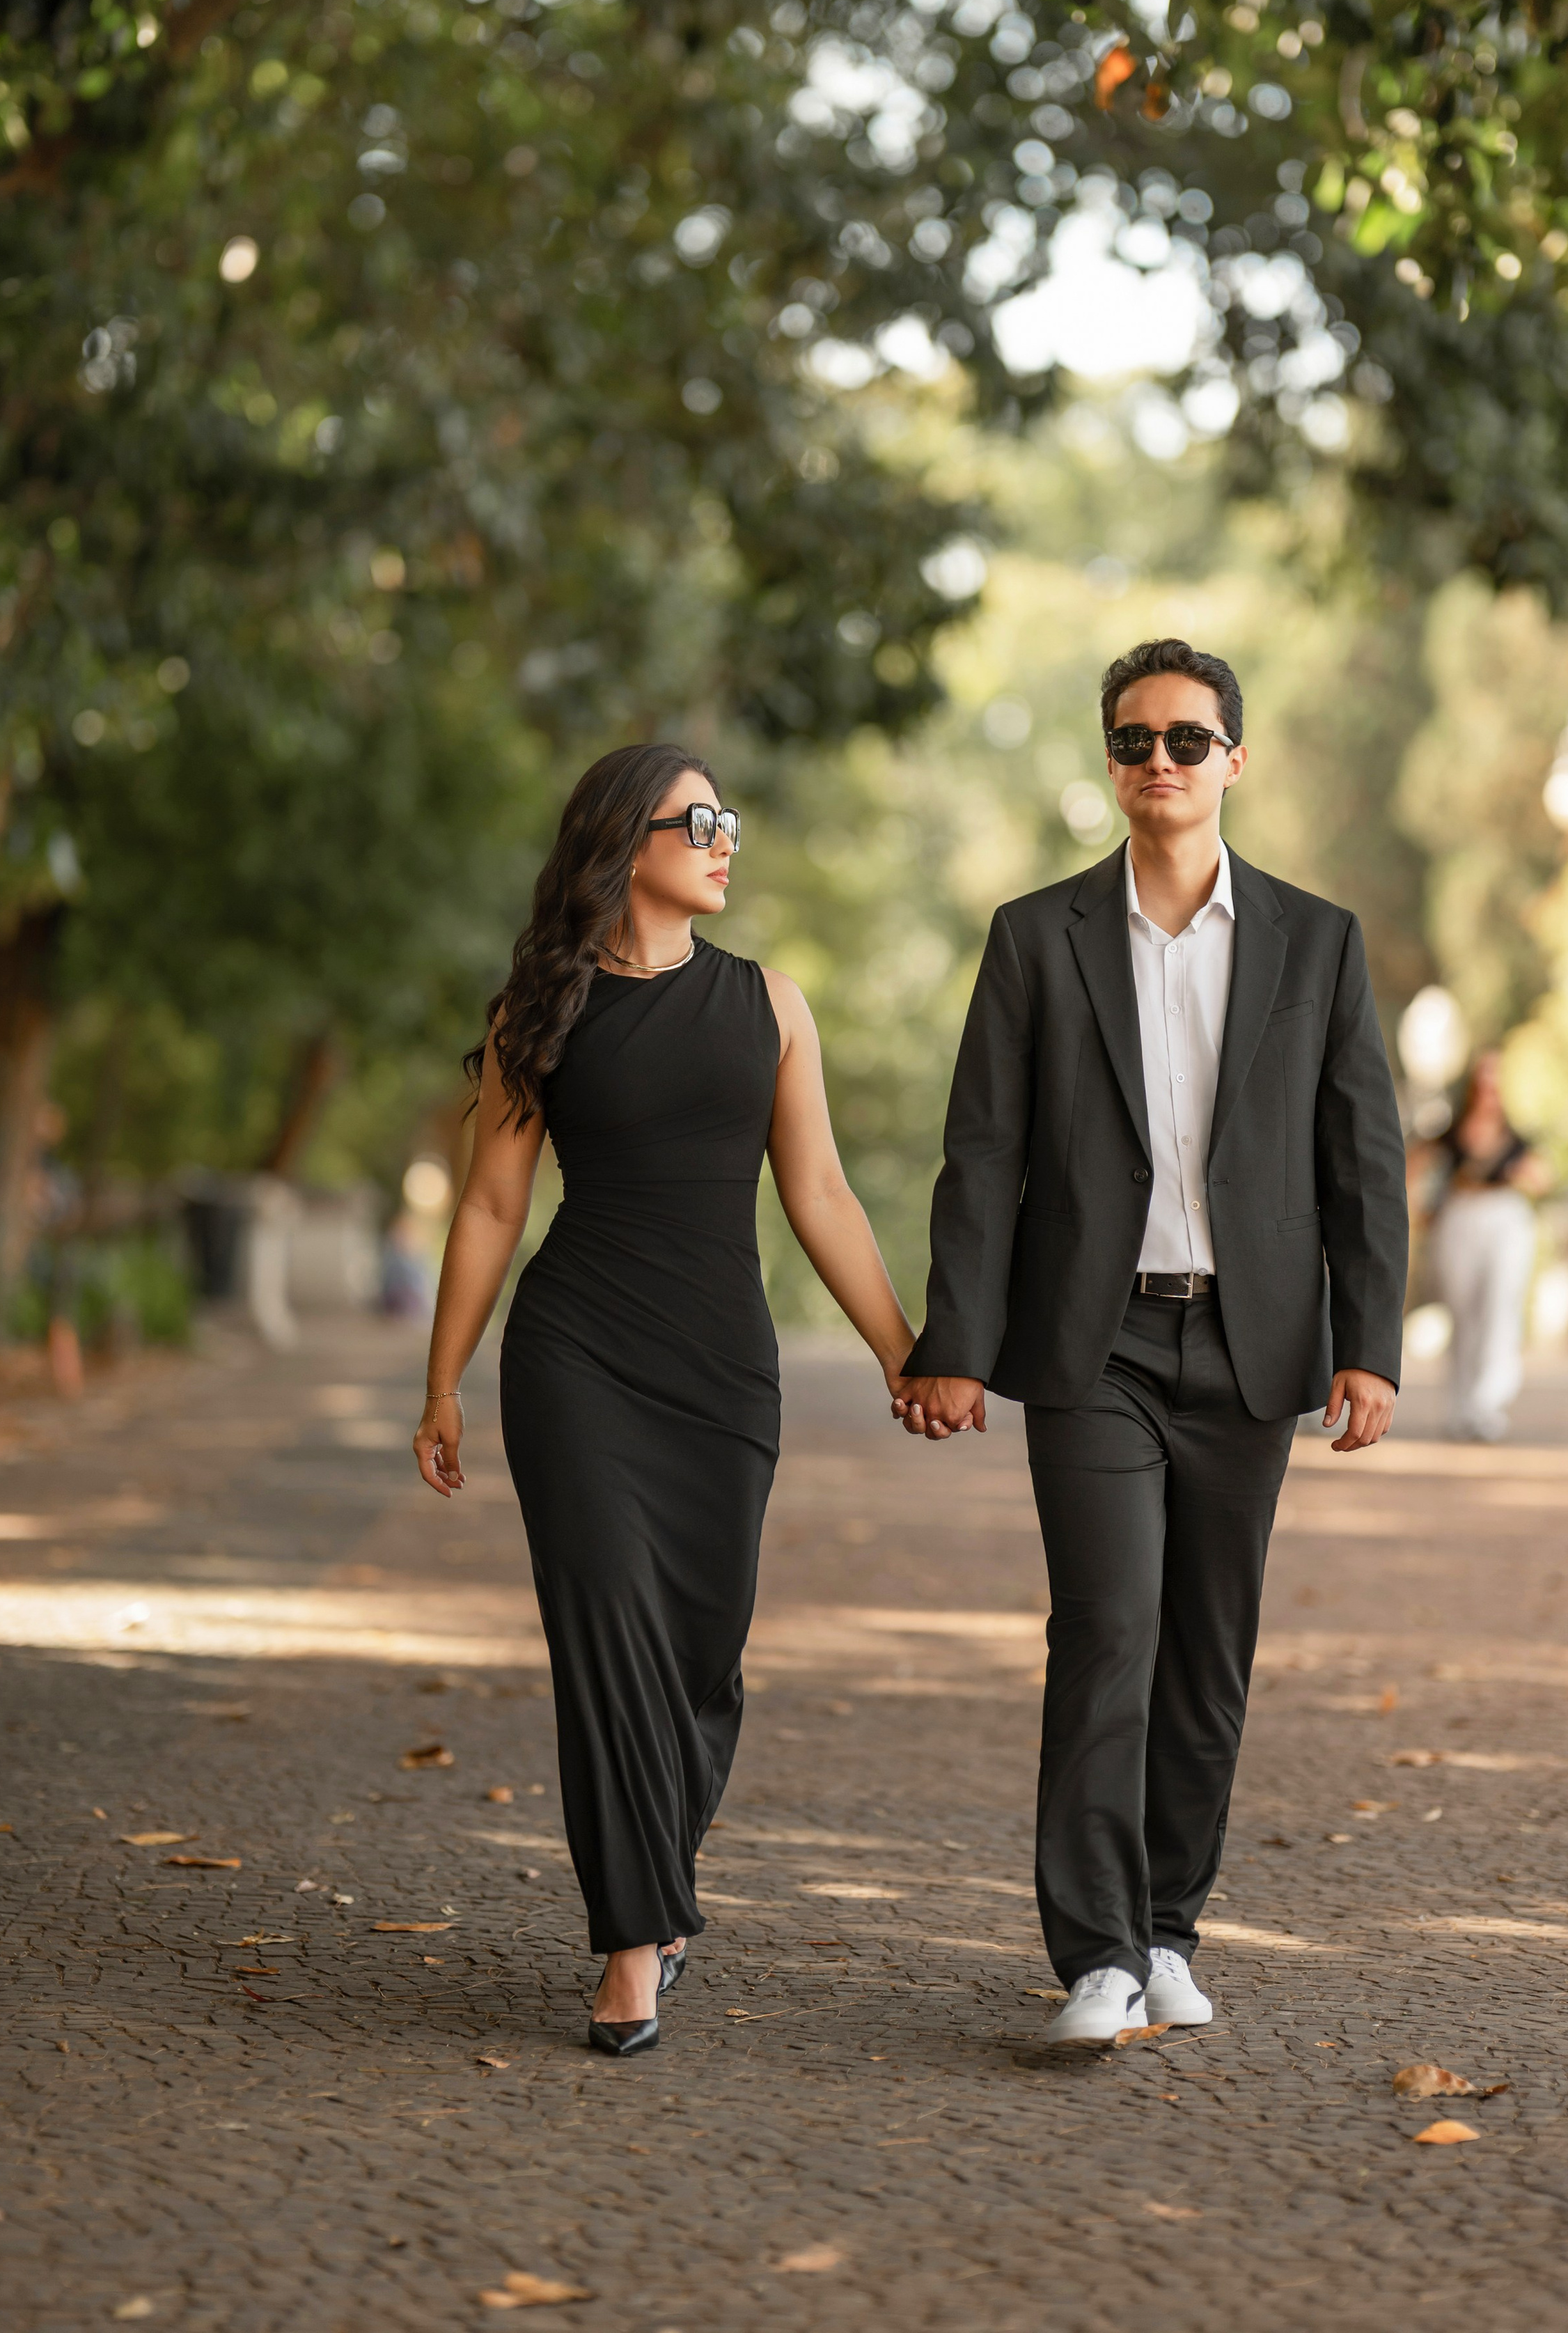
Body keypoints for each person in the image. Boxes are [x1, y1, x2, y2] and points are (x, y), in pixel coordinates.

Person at [893, 638, 1409, 2043]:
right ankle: (1097, 1957)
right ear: (1108, 763)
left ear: (1232, 760)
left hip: (1247, 1346)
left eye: (1187, 740)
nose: (1160, 762)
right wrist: (952, 1341)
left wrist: (1367, 1343)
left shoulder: (1317, 941)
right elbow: (981, 1155)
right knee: (1105, 1627)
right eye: (1134, 741)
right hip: (1092, 1345)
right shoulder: (1034, 936)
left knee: (1204, 1649)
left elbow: (1359, 1158)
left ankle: (1171, 1928)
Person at [409, 742, 915, 2057]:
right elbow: (490, 1207)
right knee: (611, 1637)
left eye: (727, 818)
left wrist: (898, 1349)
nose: (725, 838)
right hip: (576, 1357)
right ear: (626, 841)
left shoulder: (773, 1005)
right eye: (700, 820)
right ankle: (633, 1944)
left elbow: (821, 1197)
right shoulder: (545, 1010)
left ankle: (660, 1888)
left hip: (722, 1371)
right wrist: (443, 1379)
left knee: (701, 1647)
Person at [1421, 1051, 1551, 1442]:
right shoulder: (1452, 1130)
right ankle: (1462, 1406)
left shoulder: (1515, 1135)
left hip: (1505, 1220)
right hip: (1460, 1220)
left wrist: (1521, 1174)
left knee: (1499, 1309)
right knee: (1463, 1313)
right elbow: (1412, 1163)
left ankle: (1488, 1405)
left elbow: (1544, 1176)